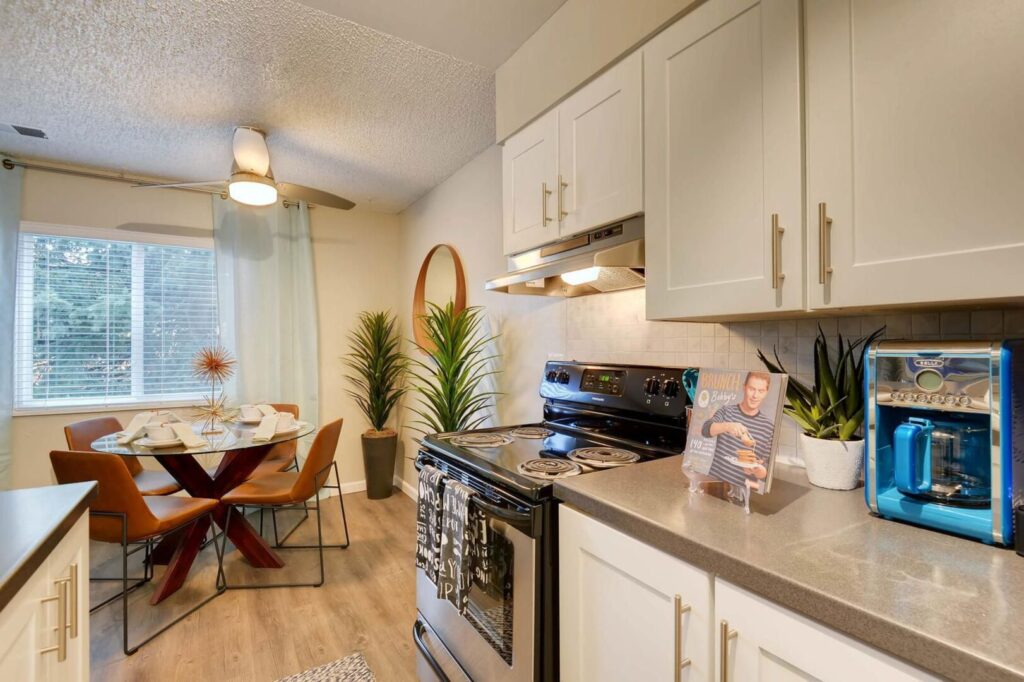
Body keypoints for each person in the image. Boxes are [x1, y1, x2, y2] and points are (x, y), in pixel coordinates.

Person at [700, 371, 774, 491]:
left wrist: (757, 470)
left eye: (760, 391)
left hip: (743, 492)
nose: (755, 395)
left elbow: (766, 469)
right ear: (744, 387)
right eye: (751, 389)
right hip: (714, 485)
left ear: (766, 392)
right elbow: (705, 430)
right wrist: (727, 426)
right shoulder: (726, 411)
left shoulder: (769, 427)